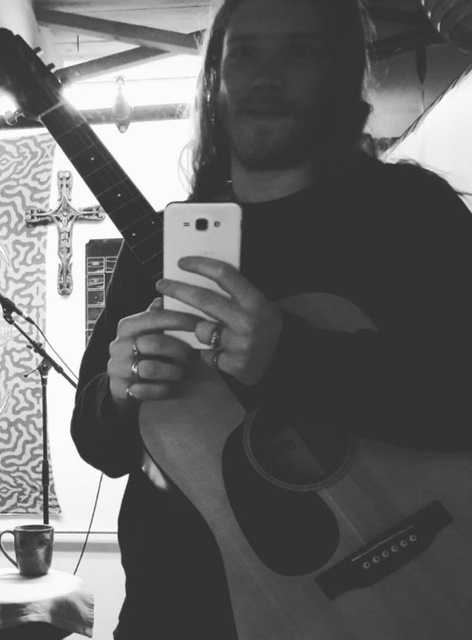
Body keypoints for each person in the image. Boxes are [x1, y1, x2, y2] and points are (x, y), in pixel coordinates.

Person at [70, 0, 472, 638]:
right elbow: (100, 448)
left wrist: (290, 356)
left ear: (339, 74)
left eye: (299, 51)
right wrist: (119, 390)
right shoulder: (168, 241)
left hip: (397, 589)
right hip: (175, 612)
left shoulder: (410, 213)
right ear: (217, 81)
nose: (266, 75)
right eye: (246, 52)